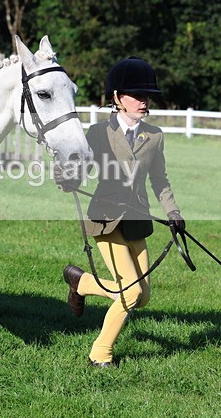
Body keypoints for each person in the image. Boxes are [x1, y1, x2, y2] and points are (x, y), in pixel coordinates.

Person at [56, 56, 185, 368]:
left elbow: (159, 180)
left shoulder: (154, 136)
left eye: (147, 96)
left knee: (143, 297)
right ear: (116, 97)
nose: (144, 102)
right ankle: (100, 354)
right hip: (106, 218)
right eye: (137, 95)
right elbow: (82, 168)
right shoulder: (98, 133)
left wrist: (173, 212)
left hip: (137, 220)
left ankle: (83, 283)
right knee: (130, 291)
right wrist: (69, 178)